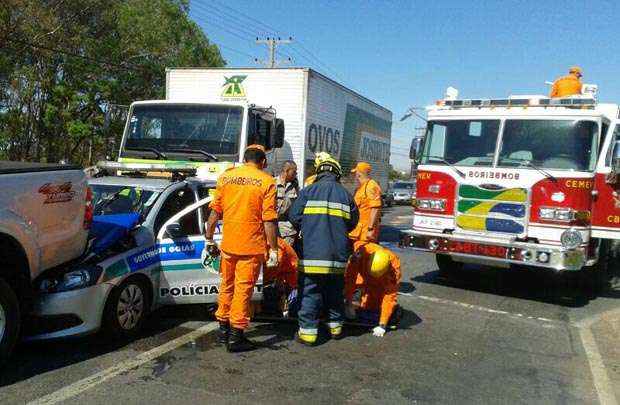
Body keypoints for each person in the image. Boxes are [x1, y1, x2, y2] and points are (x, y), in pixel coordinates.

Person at [203, 144, 279, 353]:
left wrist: (209, 237)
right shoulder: (266, 181)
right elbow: (269, 220)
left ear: (245, 159)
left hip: (228, 245)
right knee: (243, 290)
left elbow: (214, 211)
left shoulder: (226, 177)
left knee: (226, 286)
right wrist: (273, 249)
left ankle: (223, 331)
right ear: (262, 162)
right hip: (251, 247)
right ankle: (236, 336)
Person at [288, 153, 359, 345]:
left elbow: (294, 217)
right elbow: (353, 222)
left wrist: (309, 227)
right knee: (335, 292)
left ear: (319, 173)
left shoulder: (308, 191)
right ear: (337, 174)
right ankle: (335, 328)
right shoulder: (346, 195)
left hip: (312, 254)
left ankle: (308, 334)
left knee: (310, 292)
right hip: (337, 256)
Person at [344, 242, 402, 337]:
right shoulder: (361, 253)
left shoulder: (394, 269)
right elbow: (350, 278)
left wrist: (382, 324)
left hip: (380, 284)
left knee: (373, 307)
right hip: (362, 276)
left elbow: (389, 295)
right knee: (359, 300)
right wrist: (348, 301)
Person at [349, 162, 382, 248]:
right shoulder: (361, 187)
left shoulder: (371, 186)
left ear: (359, 174)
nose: (355, 175)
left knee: (365, 256)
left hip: (366, 233)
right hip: (358, 231)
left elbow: (375, 208)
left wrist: (370, 229)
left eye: (355, 173)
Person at [275, 160, 299, 247]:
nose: (296, 174)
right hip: (273, 227)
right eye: (294, 171)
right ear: (286, 171)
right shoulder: (273, 183)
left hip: (287, 230)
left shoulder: (295, 187)